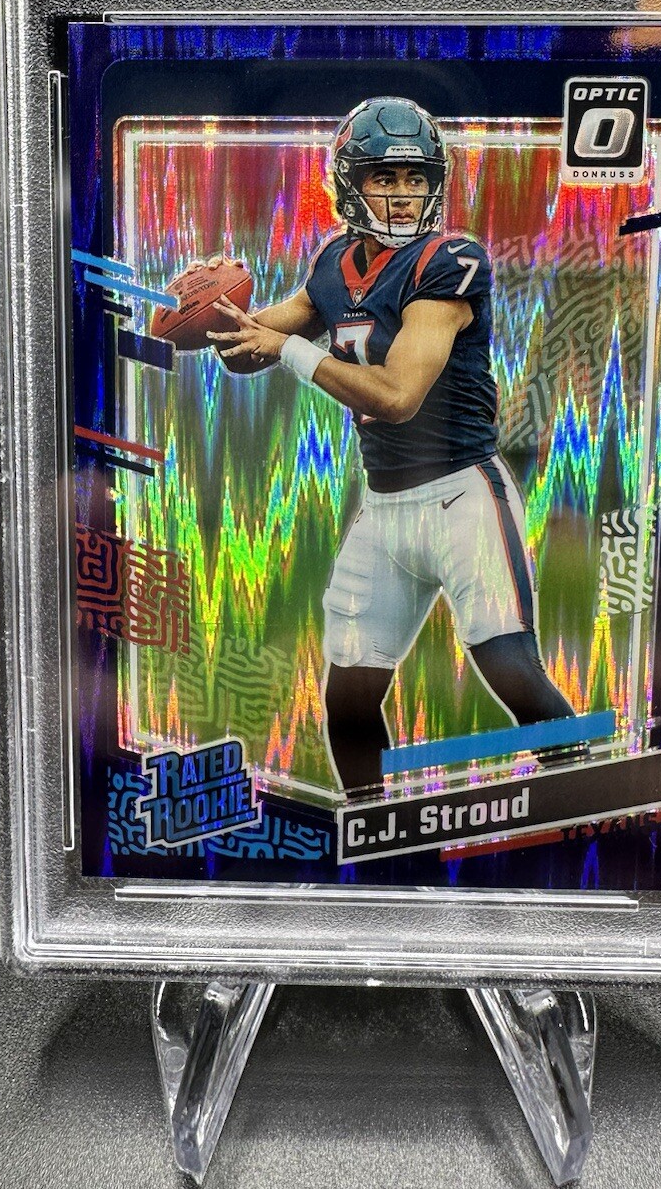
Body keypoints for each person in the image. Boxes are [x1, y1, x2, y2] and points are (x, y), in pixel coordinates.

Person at [206, 96, 574, 795]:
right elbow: (250, 347)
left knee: (510, 671)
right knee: (347, 698)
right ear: (351, 184)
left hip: (462, 497)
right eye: (384, 177)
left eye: (414, 177)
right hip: (383, 510)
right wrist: (209, 312)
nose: (403, 195)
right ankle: (372, 825)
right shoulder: (334, 261)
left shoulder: (448, 260)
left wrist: (287, 349)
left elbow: (398, 396)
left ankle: (589, 795)